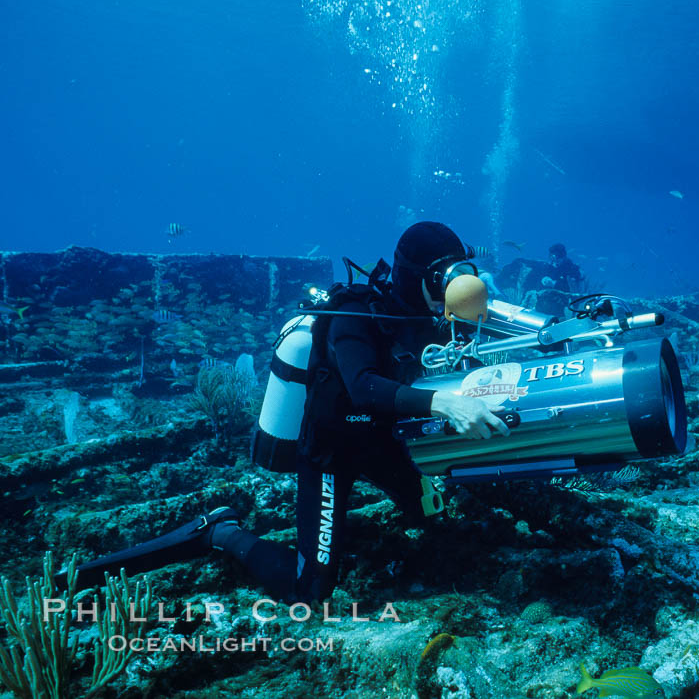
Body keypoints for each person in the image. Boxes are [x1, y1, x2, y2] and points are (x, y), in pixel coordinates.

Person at [60, 222, 510, 603]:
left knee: (440, 525)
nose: (452, 286)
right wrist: (445, 403)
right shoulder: (354, 313)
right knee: (310, 587)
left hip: (383, 444)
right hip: (331, 451)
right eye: (442, 276)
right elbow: (363, 387)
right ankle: (220, 533)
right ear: (418, 279)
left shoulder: (431, 319)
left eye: (458, 272)